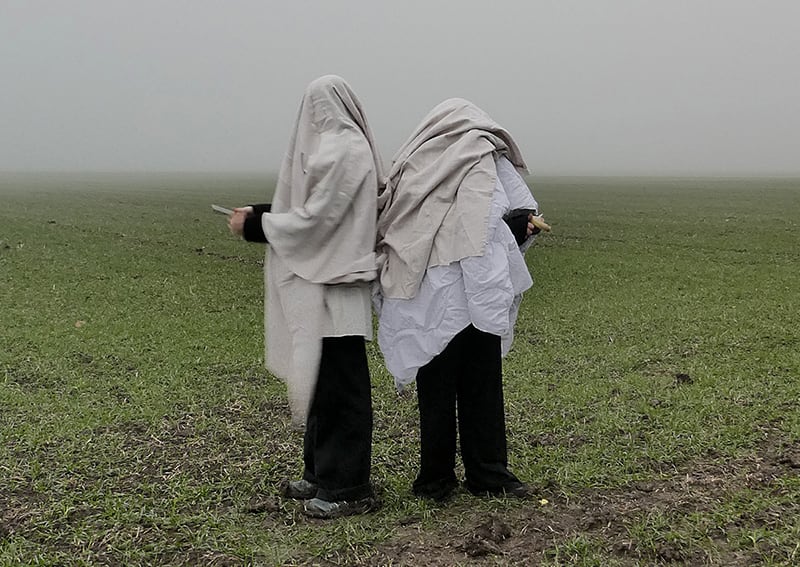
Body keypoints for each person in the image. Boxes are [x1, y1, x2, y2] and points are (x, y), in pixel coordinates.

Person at [374, 98, 546, 501]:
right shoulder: (484, 154)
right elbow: (516, 212)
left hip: (432, 292)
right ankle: (486, 474)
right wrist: (522, 228)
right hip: (470, 287)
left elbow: (395, 221)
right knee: (479, 383)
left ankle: (437, 480)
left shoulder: (415, 162)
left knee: (441, 385)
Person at [229, 75, 383, 519]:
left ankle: (349, 486)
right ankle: (320, 473)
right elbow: (310, 206)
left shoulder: (344, 150)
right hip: (325, 279)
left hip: (338, 281)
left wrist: (259, 225)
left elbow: (317, 217)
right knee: (323, 383)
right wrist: (262, 213)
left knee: (342, 388)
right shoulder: (340, 149)